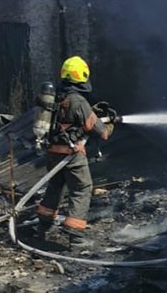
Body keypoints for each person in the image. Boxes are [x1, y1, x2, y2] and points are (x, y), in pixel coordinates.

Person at [36, 56, 115, 238]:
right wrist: (111, 122)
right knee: (82, 188)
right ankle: (74, 231)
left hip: (53, 152)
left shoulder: (55, 95)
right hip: (71, 155)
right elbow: (101, 132)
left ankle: (43, 226)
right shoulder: (78, 101)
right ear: (82, 75)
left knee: (55, 185)